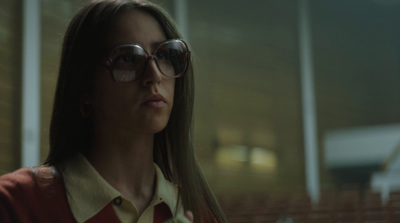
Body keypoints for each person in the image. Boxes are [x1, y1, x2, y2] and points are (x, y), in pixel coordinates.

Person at [0, 0, 227, 222]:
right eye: (127, 58)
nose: (154, 75)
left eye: (164, 55)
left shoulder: (197, 213)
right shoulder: (15, 202)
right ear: (84, 87)